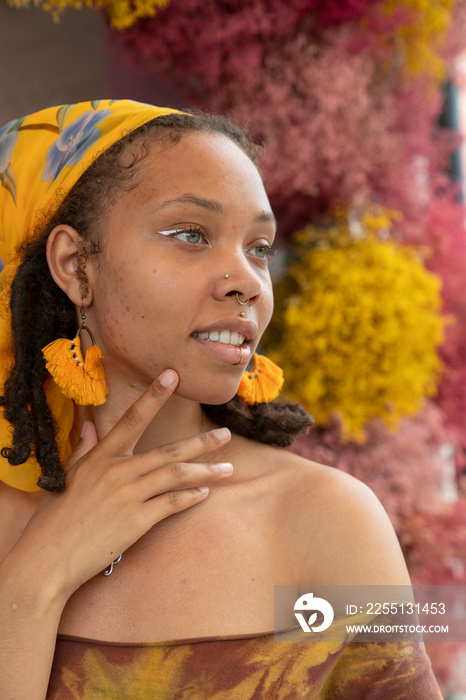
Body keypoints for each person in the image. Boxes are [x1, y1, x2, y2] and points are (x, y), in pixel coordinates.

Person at [0, 100, 441, 699]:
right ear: (76, 267)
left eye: (259, 247)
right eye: (191, 235)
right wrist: (36, 578)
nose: (248, 282)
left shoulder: (327, 520)